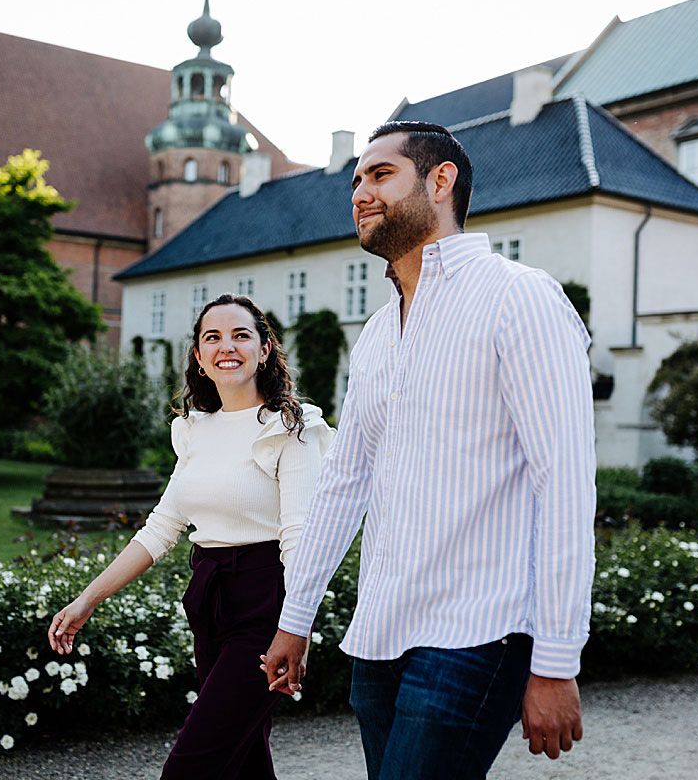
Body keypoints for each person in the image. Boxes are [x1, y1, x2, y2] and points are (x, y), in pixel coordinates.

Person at [260, 122, 597, 780]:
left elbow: (565, 483)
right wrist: (294, 619)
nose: (359, 191)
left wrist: (556, 659)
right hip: (382, 633)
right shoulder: (379, 331)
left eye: (381, 174)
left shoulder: (519, 298)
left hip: (482, 628)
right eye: (356, 179)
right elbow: (344, 483)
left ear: (441, 181)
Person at [48, 294, 333, 780]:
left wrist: (297, 627)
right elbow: (161, 529)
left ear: (265, 349)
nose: (227, 346)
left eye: (241, 335)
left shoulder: (292, 428)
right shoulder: (195, 429)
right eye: (212, 337)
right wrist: (87, 600)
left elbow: (301, 538)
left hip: (267, 603)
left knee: (190, 767)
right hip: (209, 598)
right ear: (199, 357)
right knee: (243, 760)